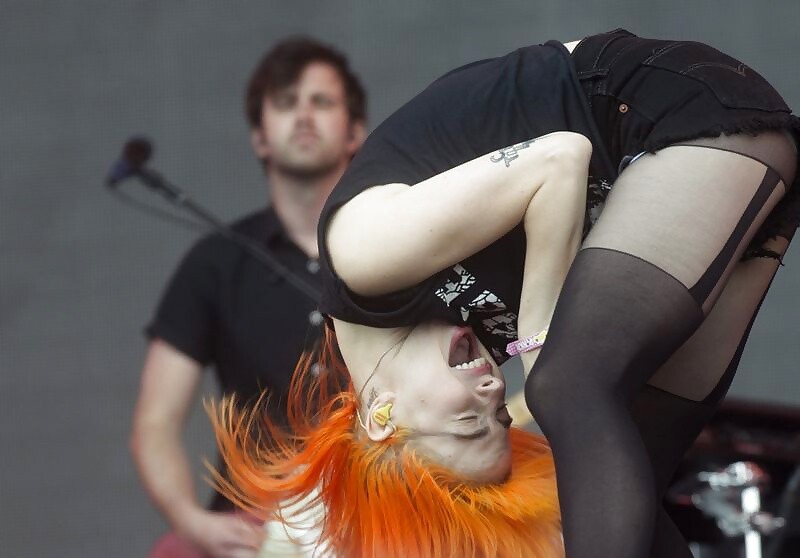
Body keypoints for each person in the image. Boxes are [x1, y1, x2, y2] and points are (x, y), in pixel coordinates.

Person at [210, 29, 800, 557]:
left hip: (665, 112)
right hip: (733, 178)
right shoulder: (446, 333)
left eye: (470, 423)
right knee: (631, 476)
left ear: (383, 419)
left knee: (564, 385)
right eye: (497, 418)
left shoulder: (361, 256)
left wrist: (541, 338)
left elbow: (560, 158)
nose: (495, 391)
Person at [129, 37, 366, 557]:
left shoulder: (396, 246)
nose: (304, 115)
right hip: (255, 527)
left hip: (378, 514)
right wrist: (190, 520)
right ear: (260, 137)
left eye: (322, 101)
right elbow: (155, 421)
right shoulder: (215, 262)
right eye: (286, 103)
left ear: (355, 132)